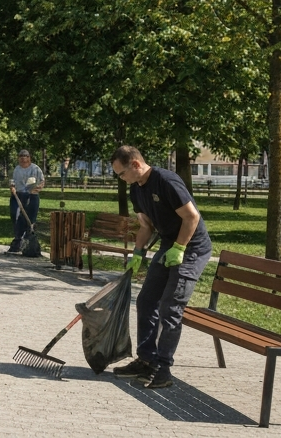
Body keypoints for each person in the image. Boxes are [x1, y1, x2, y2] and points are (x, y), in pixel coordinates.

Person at [109, 145, 213, 389]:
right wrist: (138, 252)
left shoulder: (167, 181)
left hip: (192, 246)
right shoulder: (137, 190)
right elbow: (146, 226)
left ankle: (163, 369)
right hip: (169, 243)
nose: (121, 179)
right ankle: (146, 360)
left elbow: (191, 217)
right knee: (146, 301)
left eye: (122, 173)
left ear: (135, 164)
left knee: (170, 307)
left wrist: (179, 249)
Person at [8, 150, 44, 254]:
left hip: (32, 196)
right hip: (18, 195)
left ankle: (29, 243)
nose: (23, 158)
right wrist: (12, 188)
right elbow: (12, 182)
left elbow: (42, 182)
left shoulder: (35, 169)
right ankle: (18, 241)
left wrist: (35, 190)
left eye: (26, 156)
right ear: (18, 158)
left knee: (30, 219)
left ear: (29, 157)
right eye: (21, 156)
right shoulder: (16, 170)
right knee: (16, 216)